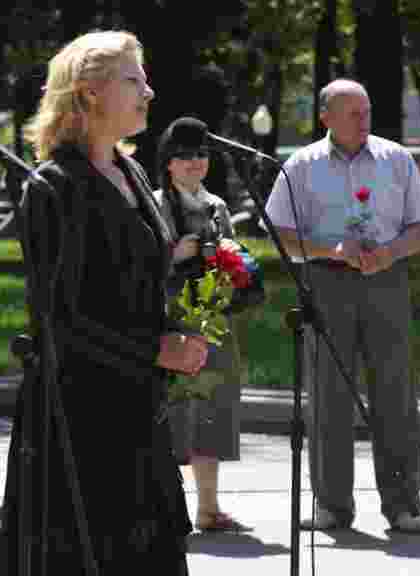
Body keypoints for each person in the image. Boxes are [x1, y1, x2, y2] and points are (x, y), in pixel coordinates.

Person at [0, 31, 208, 575]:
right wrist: (155, 350)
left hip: (138, 412)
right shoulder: (54, 186)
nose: (149, 91)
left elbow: (139, 282)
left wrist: (182, 326)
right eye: (133, 79)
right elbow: (59, 321)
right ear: (87, 93)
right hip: (77, 422)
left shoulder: (132, 173)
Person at [264, 78, 420, 533]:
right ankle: (331, 505)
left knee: (395, 393)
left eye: (367, 112)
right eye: (353, 114)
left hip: (386, 281)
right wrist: (328, 250)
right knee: (328, 395)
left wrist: (392, 251)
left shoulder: (396, 159)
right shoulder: (300, 166)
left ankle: (403, 505)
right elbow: (277, 230)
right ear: (326, 117)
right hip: (326, 283)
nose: (364, 121)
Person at [154, 116, 251, 533]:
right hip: (172, 320)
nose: (195, 162)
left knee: (211, 411)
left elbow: (232, 260)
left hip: (214, 318)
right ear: (169, 163)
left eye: (201, 154)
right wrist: (175, 255)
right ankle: (163, 506)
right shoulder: (155, 203)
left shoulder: (217, 206)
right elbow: (136, 267)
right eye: (185, 156)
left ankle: (208, 508)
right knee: (172, 413)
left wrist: (231, 260)